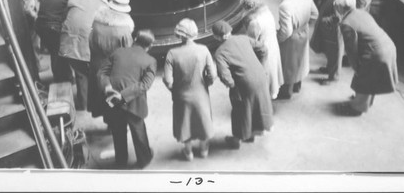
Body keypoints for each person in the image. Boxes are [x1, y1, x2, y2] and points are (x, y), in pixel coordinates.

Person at [98, 29, 157, 169]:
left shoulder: (118, 52)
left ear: (135, 39)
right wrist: (124, 96)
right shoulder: (150, 61)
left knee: (118, 131)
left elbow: (102, 72)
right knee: (138, 131)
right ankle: (144, 159)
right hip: (134, 104)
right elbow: (144, 85)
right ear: (150, 46)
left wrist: (106, 86)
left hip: (112, 100)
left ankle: (121, 160)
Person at [333, 0, 399, 116]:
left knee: (364, 77)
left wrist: (356, 67)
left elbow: (351, 50)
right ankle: (366, 101)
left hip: (377, 53)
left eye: (336, 7)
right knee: (371, 78)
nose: (335, 10)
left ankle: (357, 108)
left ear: (342, 8)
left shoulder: (346, 23)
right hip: (388, 46)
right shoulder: (362, 12)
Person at [212, 20, 273, 149]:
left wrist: (234, 87)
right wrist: (260, 66)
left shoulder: (220, 53)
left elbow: (225, 76)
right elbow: (263, 49)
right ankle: (251, 135)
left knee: (240, 110)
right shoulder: (244, 38)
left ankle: (237, 139)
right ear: (230, 31)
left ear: (216, 37)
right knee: (257, 106)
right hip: (261, 77)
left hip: (245, 84)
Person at [163, 19, 216, 161]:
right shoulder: (204, 50)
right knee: (203, 121)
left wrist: (174, 90)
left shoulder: (172, 53)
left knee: (184, 124)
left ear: (179, 34)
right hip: (201, 94)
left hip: (181, 95)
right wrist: (206, 84)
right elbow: (213, 75)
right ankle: (204, 150)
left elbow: (167, 80)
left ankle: (188, 153)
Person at [59, 0, 109, 110]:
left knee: (80, 72)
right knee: (96, 71)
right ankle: (96, 103)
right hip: (89, 41)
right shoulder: (103, 3)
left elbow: (65, 15)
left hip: (68, 40)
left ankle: (84, 104)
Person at [88, 0, 135, 123]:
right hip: (116, 67)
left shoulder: (96, 22)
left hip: (98, 64)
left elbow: (90, 43)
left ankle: (108, 120)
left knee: (102, 93)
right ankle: (116, 123)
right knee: (116, 96)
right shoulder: (124, 30)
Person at [271, 0, 318, 99]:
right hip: (304, 31)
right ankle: (297, 86)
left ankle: (286, 92)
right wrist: (304, 25)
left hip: (291, 39)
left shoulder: (285, 6)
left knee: (288, 66)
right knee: (300, 62)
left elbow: (286, 31)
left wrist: (276, 40)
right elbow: (315, 14)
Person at [35, 0, 79, 82]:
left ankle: (64, 77)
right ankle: (63, 80)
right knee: (60, 52)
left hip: (40, 26)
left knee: (55, 52)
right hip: (53, 27)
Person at [310, 0, 349, 85]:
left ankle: (334, 77)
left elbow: (340, 15)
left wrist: (326, 20)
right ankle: (329, 69)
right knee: (329, 49)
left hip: (334, 27)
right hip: (328, 27)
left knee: (336, 51)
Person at [239, 0, 284, 100]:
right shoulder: (266, 11)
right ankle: (272, 94)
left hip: (263, 50)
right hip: (273, 45)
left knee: (264, 77)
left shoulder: (255, 22)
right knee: (273, 74)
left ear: (246, 7)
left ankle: (265, 102)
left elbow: (251, 41)